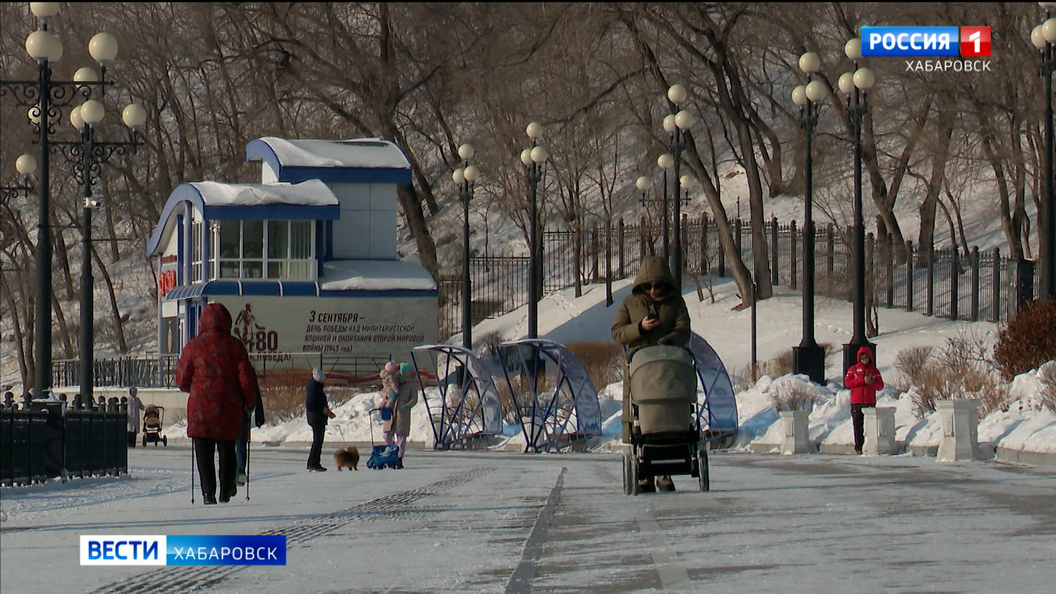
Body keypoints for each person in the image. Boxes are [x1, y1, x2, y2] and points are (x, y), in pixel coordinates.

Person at [611, 255, 691, 493]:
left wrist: (671, 339)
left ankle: (665, 471)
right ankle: (644, 472)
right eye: (648, 286)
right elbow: (617, 332)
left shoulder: (675, 303)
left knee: (666, 412)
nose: (653, 291)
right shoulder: (630, 303)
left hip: (667, 366)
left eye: (658, 286)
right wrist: (640, 328)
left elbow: (683, 329)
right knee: (642, 415)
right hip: (641, 367)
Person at [176, 303, 259, 504]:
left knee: (203, 451)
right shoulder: (235, 346)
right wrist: (250, 402)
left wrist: (195, 388)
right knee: (227, 449)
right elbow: (246, 379)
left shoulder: (193, 346)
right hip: (228, 408)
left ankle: (208, 492)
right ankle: (226, 489)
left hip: (201, 409)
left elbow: (182, 380)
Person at [845, 346, 884, 455]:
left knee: (870, 426)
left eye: (866, 358)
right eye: (862, 358)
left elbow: (880, 386)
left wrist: (871, 383)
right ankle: (859, 448)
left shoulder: (874, 371)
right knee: (858, 426)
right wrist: (862, 381)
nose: (864, 360)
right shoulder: (853, 369)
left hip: (869, 402)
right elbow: (848, 382)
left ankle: (870, 446)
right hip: (856, 402)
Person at [381, 362, 418, 469]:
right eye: (408, 372)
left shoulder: (412, 385)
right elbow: (384, 391)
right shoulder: (395, 380)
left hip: (402, 414)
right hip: (391, 411)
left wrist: (407, 405)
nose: (410, 373)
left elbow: (414, 399)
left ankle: (399, 457)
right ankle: (392, 452)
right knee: (386, 434)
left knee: (401, 437)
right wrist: (387, 396)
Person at [305, 367, 336, 471]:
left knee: (318, 441)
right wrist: (324, 410)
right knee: (318, 441)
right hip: (316, 418)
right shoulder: (314, 389)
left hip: (317, 417)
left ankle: (314, 463)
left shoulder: (315, 388)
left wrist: (326, 411)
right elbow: (311, 404)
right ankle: (313, 463)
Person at [235, 385, 265, 486]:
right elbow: (254, 389)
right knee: (240, 442)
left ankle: (233, 473)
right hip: (242, 410)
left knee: (229, 444)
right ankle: (239, 472)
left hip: (229, 410)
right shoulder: (247, 374)